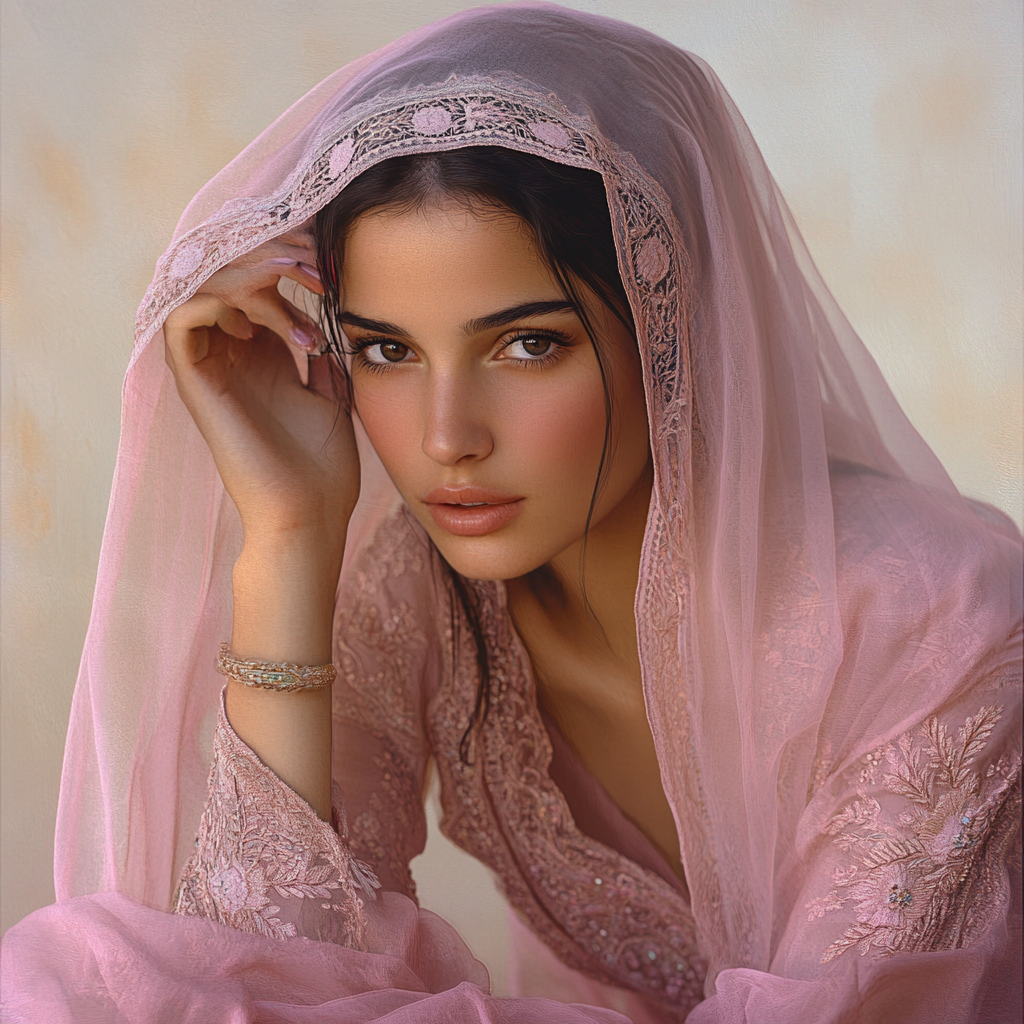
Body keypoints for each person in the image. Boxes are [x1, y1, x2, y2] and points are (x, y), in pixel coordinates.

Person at [2, 5, 1020, 1022]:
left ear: (677, 328)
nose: (447, 437)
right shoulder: (415, 596)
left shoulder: (933, 620)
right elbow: (249, 967)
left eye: (527, 344)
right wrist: (288, 539)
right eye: (386, 350)